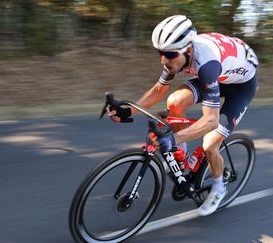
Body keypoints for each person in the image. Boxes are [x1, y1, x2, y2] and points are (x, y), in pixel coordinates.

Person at [107, 15, 259, 216]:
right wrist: (128, 110)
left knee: (210, 143)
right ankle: (182, 160)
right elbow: (158, 91)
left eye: (169, 54)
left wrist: (173, 138)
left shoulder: (206, 63)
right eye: (160, 53)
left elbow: (211, 120)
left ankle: (219, 188)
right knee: (174, 102)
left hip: (240, 87)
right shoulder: (178, 53)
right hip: (221, 74)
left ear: (187, 50)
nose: (163, 59)